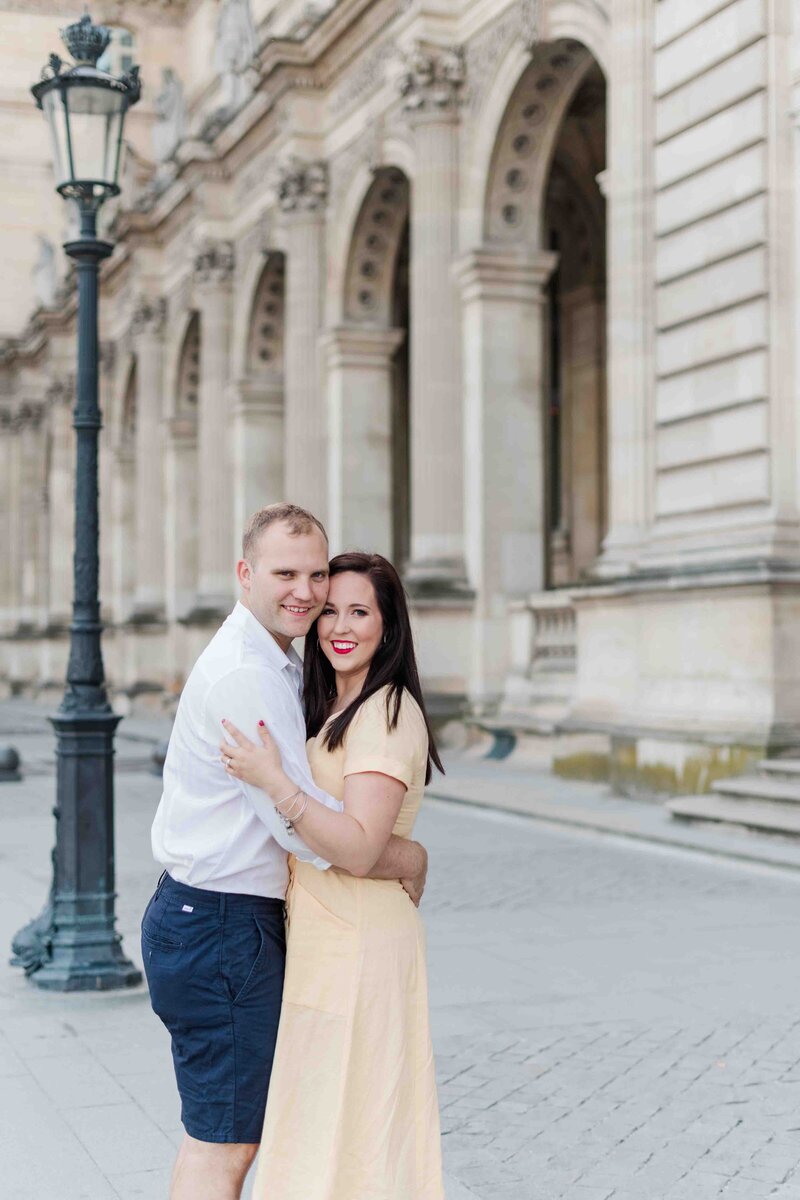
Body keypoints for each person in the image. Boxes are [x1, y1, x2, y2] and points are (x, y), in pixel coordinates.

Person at [142, 505, 428, 1200]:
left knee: (226, 1136)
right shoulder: (251, 676)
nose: (308, 597)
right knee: (228, 1143)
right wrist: (407, 859)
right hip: (222, 925)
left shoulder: (289, 671)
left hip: (221, 922)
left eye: (316, 577)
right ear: (245, 574)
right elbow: (306, 828)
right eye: (286, 575)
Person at [219, 550, 446, 1200]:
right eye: (330, 610)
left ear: (389, 624)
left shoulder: (387, 711)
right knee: (325, 1131)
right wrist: (412, 855)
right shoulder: (327, 700)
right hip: (326, 942)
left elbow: (358, 846)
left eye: (360, 611)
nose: (340, 626)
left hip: (361, 947)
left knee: (358, 1137)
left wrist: (278, 785)